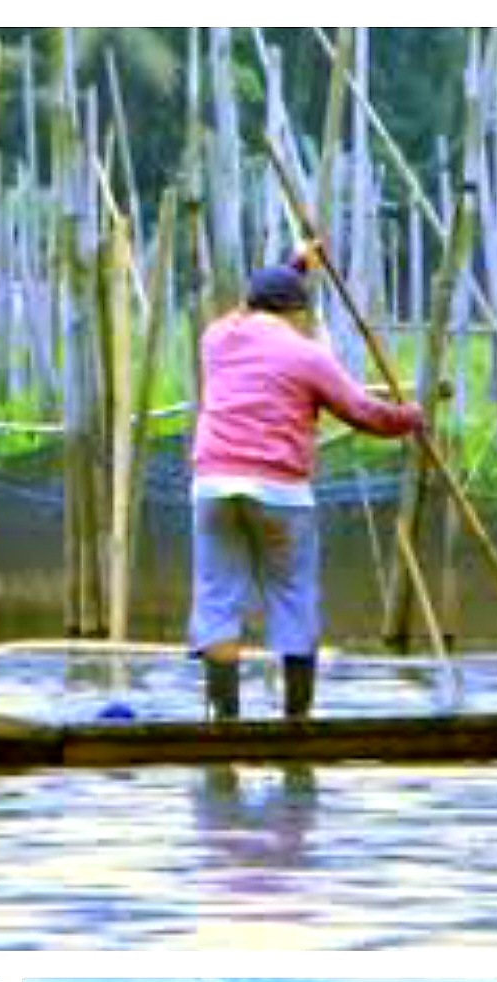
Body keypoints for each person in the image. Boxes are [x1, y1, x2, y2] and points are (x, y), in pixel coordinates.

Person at [189, 254, 427, 721]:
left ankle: (224, 722)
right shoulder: (307, 354)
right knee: (293, 594)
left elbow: (254, 300)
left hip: (213, 485)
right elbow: (363, 412)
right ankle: (297, 719)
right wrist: (412, 418)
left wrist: (295, 264)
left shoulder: (215, 338)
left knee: (217, 597)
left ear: (249, 303)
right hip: (280, 492)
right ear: (297, 312)